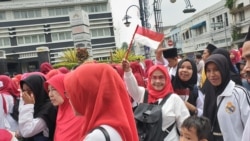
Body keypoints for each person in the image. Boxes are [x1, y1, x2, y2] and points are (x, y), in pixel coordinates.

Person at [64, 63, 139, 141]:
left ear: (87, 95)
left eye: (73, 94)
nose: (69, 99)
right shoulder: (115, 126)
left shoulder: (97, 137)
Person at [122, 59, 190, 141]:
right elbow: (132, 89)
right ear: (149, 79)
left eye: (161, 77)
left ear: (167, 79)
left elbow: (185, 127)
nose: (157, 81)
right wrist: (128, 72)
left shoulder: (174, 99)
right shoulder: (144, 94)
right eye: (154, 78)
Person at [204, 54, 250, 141]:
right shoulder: (209, 93)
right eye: (208, 71)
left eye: (216, 69)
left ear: (223, 69)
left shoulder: (239, 93)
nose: (212, 74)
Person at [44, 74, 85, 141]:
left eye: (54, 89)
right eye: (49, 90)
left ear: (65, 88)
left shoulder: (79, 113)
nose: (50, 94)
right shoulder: (60, 110)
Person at [17, 74, 57, 141]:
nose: (26, 95)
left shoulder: (49, 107)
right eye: (24, 91)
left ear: (38, 89)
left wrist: (28, 105)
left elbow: (27, 131)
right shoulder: (35, 104)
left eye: (29, 90)